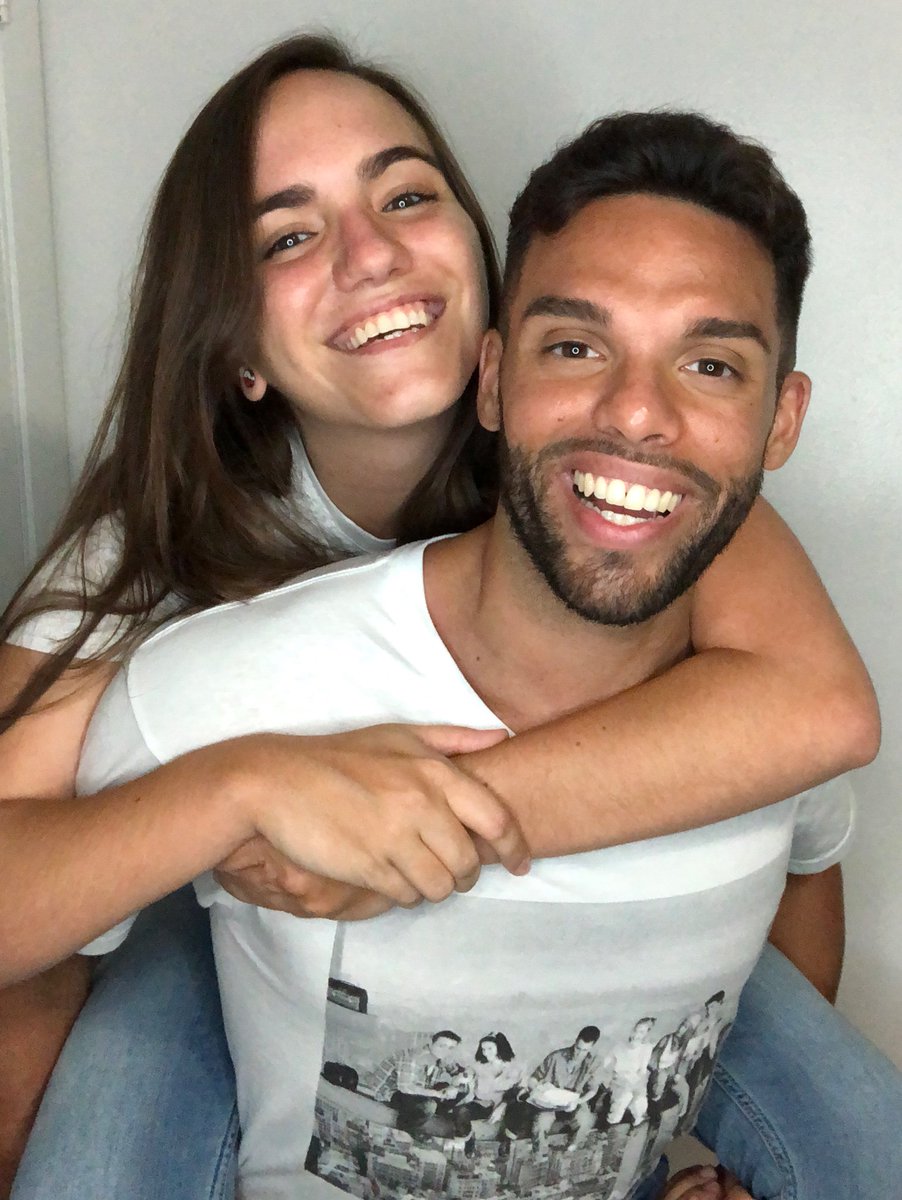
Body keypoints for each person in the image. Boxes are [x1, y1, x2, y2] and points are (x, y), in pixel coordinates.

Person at [0, 32, 889, 1200]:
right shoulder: (148, 555)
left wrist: (424, 835)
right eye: (287, 235)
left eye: (405, 195)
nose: (369, 254)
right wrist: (246, 786)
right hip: (238, 918)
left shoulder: (618, 485)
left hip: (602, 917)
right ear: (236, 350)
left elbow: (817, 714)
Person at [503, 1027, 603, 1155]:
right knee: (541, 1124)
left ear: (592, 1047)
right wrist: (538, 1089)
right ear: (576, 1041)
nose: (579, 1054)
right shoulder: (556, 1057)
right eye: (578, 1048)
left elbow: (592, 1090)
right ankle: (540, 1156)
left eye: (585, 1050)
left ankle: (571, 1150)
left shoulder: (594, 1062)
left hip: (575, 1101)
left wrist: (578, 1101)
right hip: (551, 1103)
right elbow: (534, 1078)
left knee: (586, 1120)